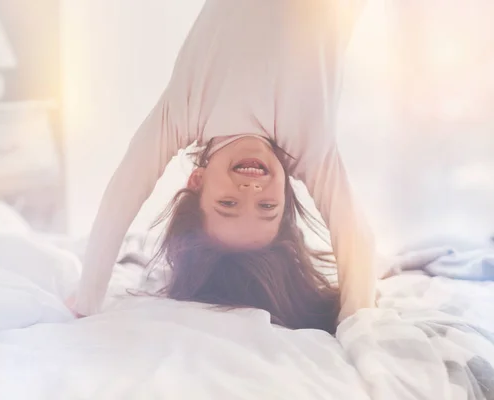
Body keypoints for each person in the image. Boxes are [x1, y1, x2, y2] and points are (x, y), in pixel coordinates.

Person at [75, 0, 376, 325]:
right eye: (266, 207)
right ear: (286, 196)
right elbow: (356, 235)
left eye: (228, 203)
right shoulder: (309, 145)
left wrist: (87, 298)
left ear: (197, 181)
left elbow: (126, 190)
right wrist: (358, 320)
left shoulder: (187, 110)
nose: (250, 189)